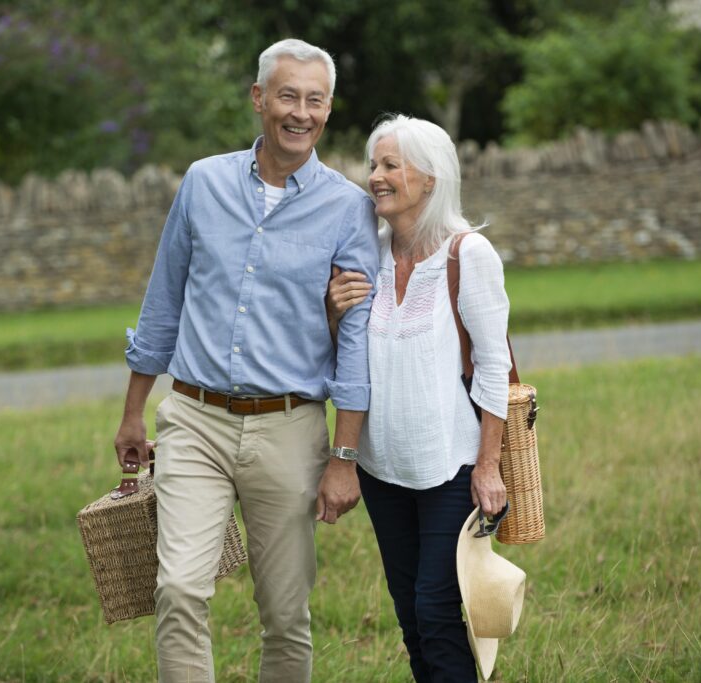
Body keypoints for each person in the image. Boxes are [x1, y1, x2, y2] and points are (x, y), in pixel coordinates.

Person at [113, 39, 379, 683]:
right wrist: (132, 414)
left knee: (285, 614)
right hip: (194, 421)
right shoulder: (203, 183)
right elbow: (162, 302)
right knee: (177, 588)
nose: (300, 112)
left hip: (288, 427)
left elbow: (356, 342)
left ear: (329, 110)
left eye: (315, 100)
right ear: (259, 99)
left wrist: (344, 459)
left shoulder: (348, 208)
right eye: (287, 96)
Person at [327, 115, 510, 682]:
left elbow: (495, 364)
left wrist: (488, 465)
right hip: (383, 471)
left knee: (435, 609)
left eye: (390, 166)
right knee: (410, 616)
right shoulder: (366, 254)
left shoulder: (467, 254)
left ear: (429, 179)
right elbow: (348, 358)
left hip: (451, 467)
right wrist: (333, 316)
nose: (375, 177)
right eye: (373, 164)